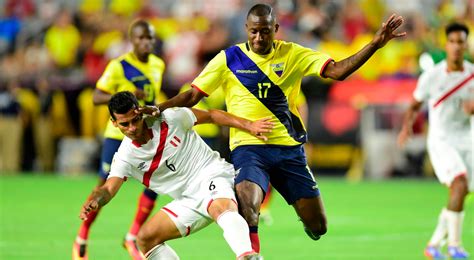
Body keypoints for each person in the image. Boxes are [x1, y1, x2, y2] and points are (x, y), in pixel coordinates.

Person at [157, 3, 406, 253]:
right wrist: (159, 109)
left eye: (265, 31)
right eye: (254, 31)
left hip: (289, 150)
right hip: (249, 148)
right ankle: (250, 256)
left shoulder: (293, 54)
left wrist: (375, 44)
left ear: (275, 29)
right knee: (248, 206)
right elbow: (192, 96)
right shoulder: (229, 58)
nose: (258, 37)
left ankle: (305, 218)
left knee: (318, 226)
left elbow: (338, 71)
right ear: (246, 29)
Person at [80, 91, 273, 259]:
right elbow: (108, 188)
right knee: (145, 238)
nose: (131, 128)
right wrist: (97, 199)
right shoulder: (125, 157)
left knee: (219, 207)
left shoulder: (171, 118)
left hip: (211, 174)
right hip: (187, 199)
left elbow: (212, 116)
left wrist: (249, 125)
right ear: (114, 123)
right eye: (124, 124)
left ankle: (248, 256)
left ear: (140, 112)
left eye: (135, 120)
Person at [73, 19, 166, 260]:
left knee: (156, 184)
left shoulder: (158, 64)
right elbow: (96, 96)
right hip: (117, 136)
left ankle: (131, 237)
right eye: (141, 38)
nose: (146, 42)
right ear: (132, 40)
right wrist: (124, 96)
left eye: (150, 38)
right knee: (105, 185)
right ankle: (82, 236)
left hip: (146, 135)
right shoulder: (119, 66)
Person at [398, 22, 473, 259]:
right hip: (441, 139)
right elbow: (414, 105)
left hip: (467, 139)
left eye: (461, 42)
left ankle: (432, 246)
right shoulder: (432, 76)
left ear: (466, 45)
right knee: (459, 184)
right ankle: (455, 246)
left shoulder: (472, 74)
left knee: (461, 193)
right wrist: (406, 127)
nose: (456, 47)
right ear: (446, 44)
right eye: (452, 42)